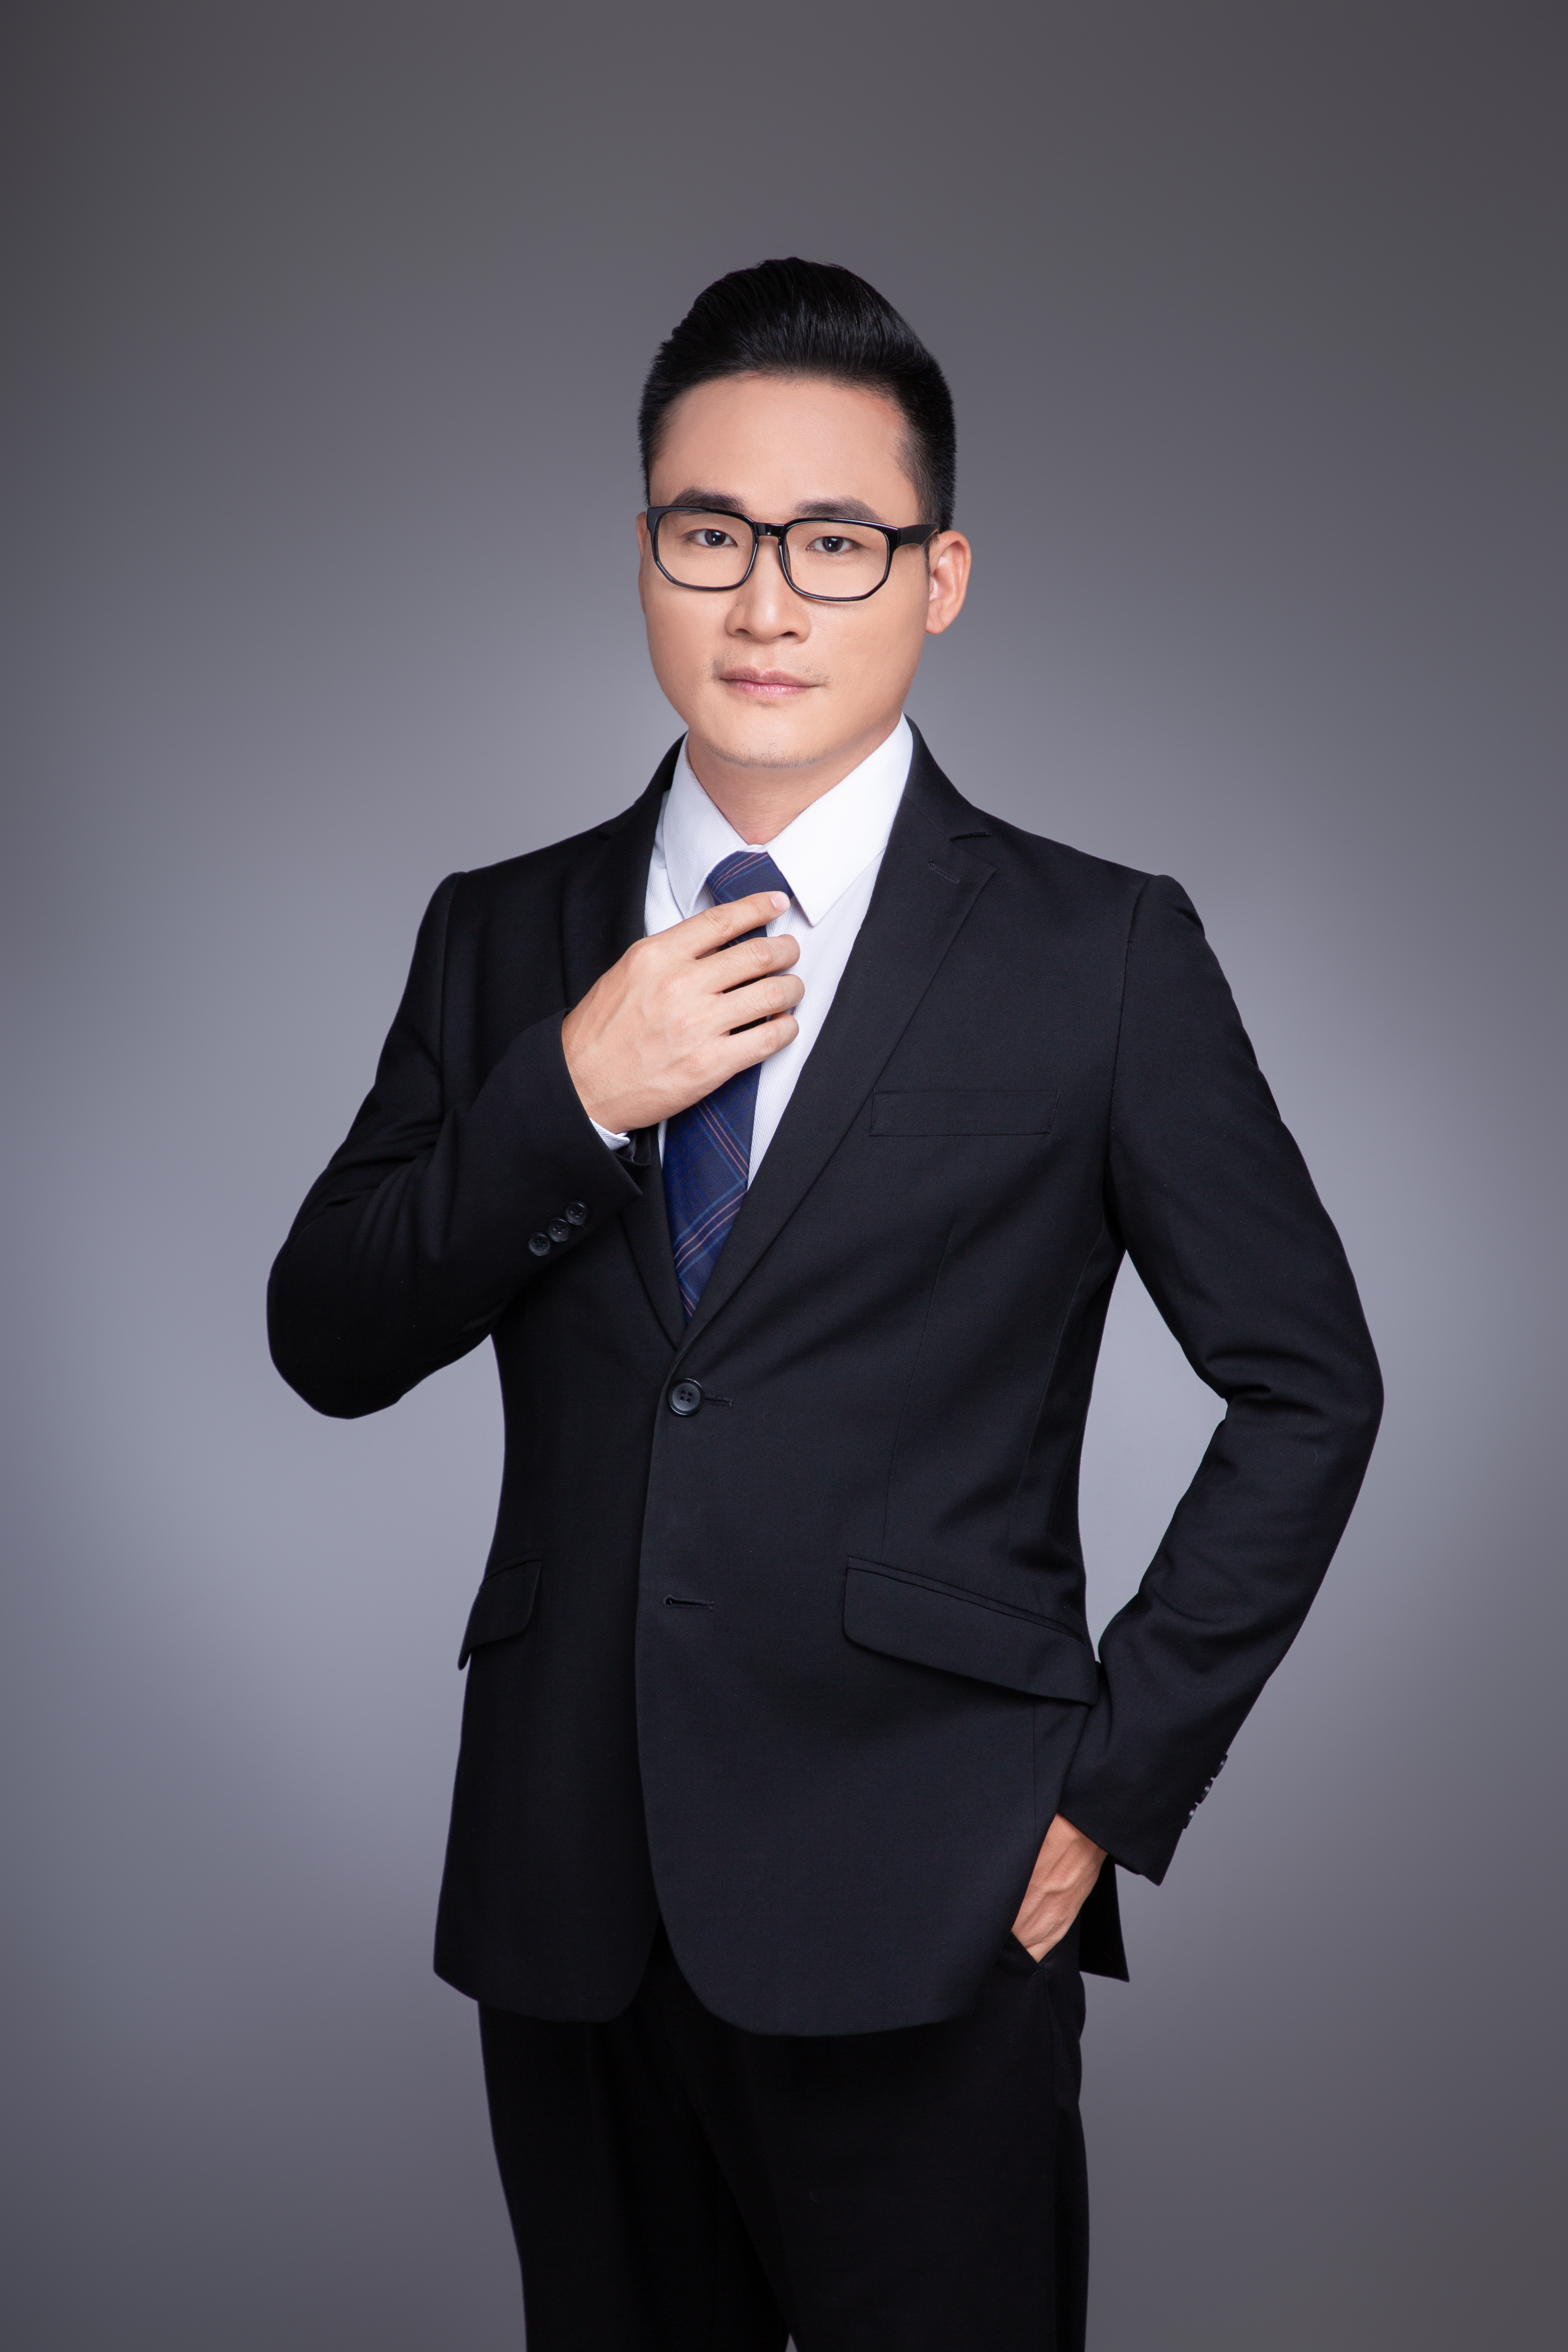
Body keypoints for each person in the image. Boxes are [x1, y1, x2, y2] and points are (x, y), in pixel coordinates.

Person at [268, 257, 1382, 2351]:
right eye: (711, 534)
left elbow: (1312, 1389)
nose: (766, 601)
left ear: (938, 576)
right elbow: (325, 1333)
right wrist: (569, 1096)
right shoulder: (501, 937)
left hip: (937, 1888)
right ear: (645, 555)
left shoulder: (1100, 952)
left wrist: (1112, 1786)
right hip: (568, 1889)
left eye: (836, 543)